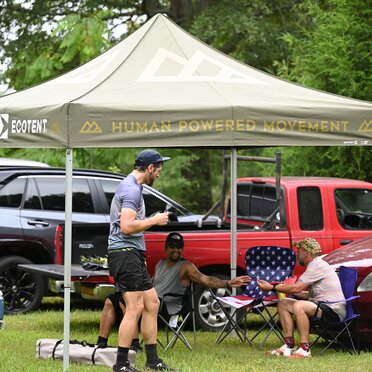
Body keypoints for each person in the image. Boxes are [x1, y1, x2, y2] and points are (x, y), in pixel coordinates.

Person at [100, 232, 251, 346]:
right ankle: (101, 343)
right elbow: (150, 285)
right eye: (172, 246)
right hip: (153, 298)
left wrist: (229, 283)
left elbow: (207, 280)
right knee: (111, 300)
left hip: (169, 305)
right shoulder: (160, 264)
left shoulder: (186, 266)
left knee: (127, 303)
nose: (175, 250)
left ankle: (134, 345)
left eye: (179, 247)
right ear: (166, 248)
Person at [107, 149, 173, 372]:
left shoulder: (132, 186)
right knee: (134, 307)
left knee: (152, 303)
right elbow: (126, 226)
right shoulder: (132, 190)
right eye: (159, 169)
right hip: (124, 252)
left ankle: (153, 361)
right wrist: (154, 220)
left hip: (131, 253)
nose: (159, 174)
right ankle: (122, 364)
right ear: (151, 168)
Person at [257, 238, 346, 359]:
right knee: (283, 303)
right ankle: (289, 346)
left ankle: (305, 349)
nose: (297, 255)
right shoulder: (316, 265)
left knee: (299, 306)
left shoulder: (316, 265)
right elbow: (309, 294)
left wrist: (272, 287)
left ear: (306, 252)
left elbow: (296, 288)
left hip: (334, 310)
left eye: (299, 252)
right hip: (321, 305)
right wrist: (289, 292)